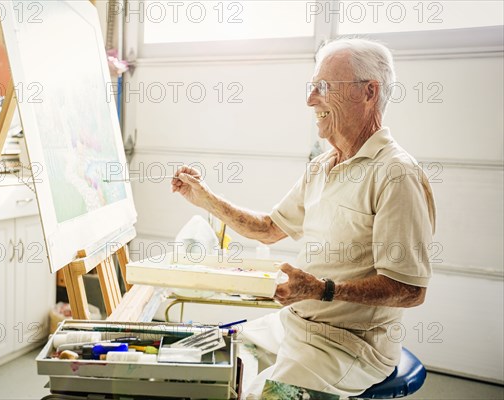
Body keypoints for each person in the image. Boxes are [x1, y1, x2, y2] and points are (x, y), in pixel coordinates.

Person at [171, 37, 436, 398]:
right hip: (294, 325)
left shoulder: (396, 174)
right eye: (312, 87)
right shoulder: (322, 167)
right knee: (200, 366)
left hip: (350, 346)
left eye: (323, 87)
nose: (310, 99)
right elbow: (268, 229)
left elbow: (409, 290)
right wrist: (203, 197)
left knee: (267, 395)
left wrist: (323, 290)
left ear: (369, 92)